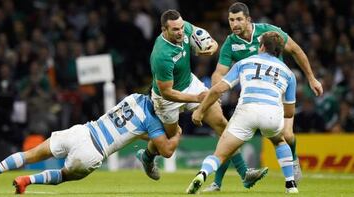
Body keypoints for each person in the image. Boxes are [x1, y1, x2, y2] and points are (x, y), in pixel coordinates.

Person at [138, 9, 268, 189]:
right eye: (175, 29)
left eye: (181, 27)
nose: (180, 32)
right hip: (165, 99)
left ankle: (244, 173)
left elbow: (209, 40)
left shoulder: (185, 29)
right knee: (168, 147)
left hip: (190, 83)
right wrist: (198, 98)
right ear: (163, 30)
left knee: (222, 124)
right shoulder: (161, 56)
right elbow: (167, 92)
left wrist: (211, 48)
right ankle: (147, 156)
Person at [205, 2, 324, 190]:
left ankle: (293, 161)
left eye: (238, 19)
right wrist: (217, 91)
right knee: (228, 138)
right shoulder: (230, 42)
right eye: (231, 20)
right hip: (251, 96)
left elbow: (295, 50)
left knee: (287, 134)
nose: (234, 24)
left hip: (278, 92)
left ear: (248, 20)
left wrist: (311, 78)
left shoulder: (269, 32)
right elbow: (219, 72)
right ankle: (216, 183)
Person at [0, 93, 181, 194]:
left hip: (81, 131)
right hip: (93, 151)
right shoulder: (153, 122)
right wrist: (177, 131)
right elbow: (167, 150)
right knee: (63, 176)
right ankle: (27, 180)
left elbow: (131, 129)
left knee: (29, 154)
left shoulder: (135, 97)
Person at [187, 32, 298, 194]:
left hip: (246, 112)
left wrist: (201, 110)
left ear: (262, 46)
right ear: (280, 51)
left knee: (221, 153)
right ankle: (291, 184)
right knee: (279, 141)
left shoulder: (245, 62)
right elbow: (289, 112)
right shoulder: (289, 73)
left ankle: (202, 174)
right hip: (272, 114)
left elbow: (218, 89)